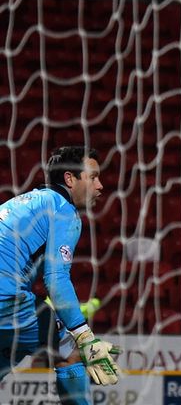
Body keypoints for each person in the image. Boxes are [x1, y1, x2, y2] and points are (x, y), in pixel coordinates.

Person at [0, 146, 120, 404]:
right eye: (93, 177)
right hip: (5, 298)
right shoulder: (63, 209)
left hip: (8, 296)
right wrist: (85, 336)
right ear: (70, 179)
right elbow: (56, 278)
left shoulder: (26, 202)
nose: (100, 186)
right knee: (72, 351)